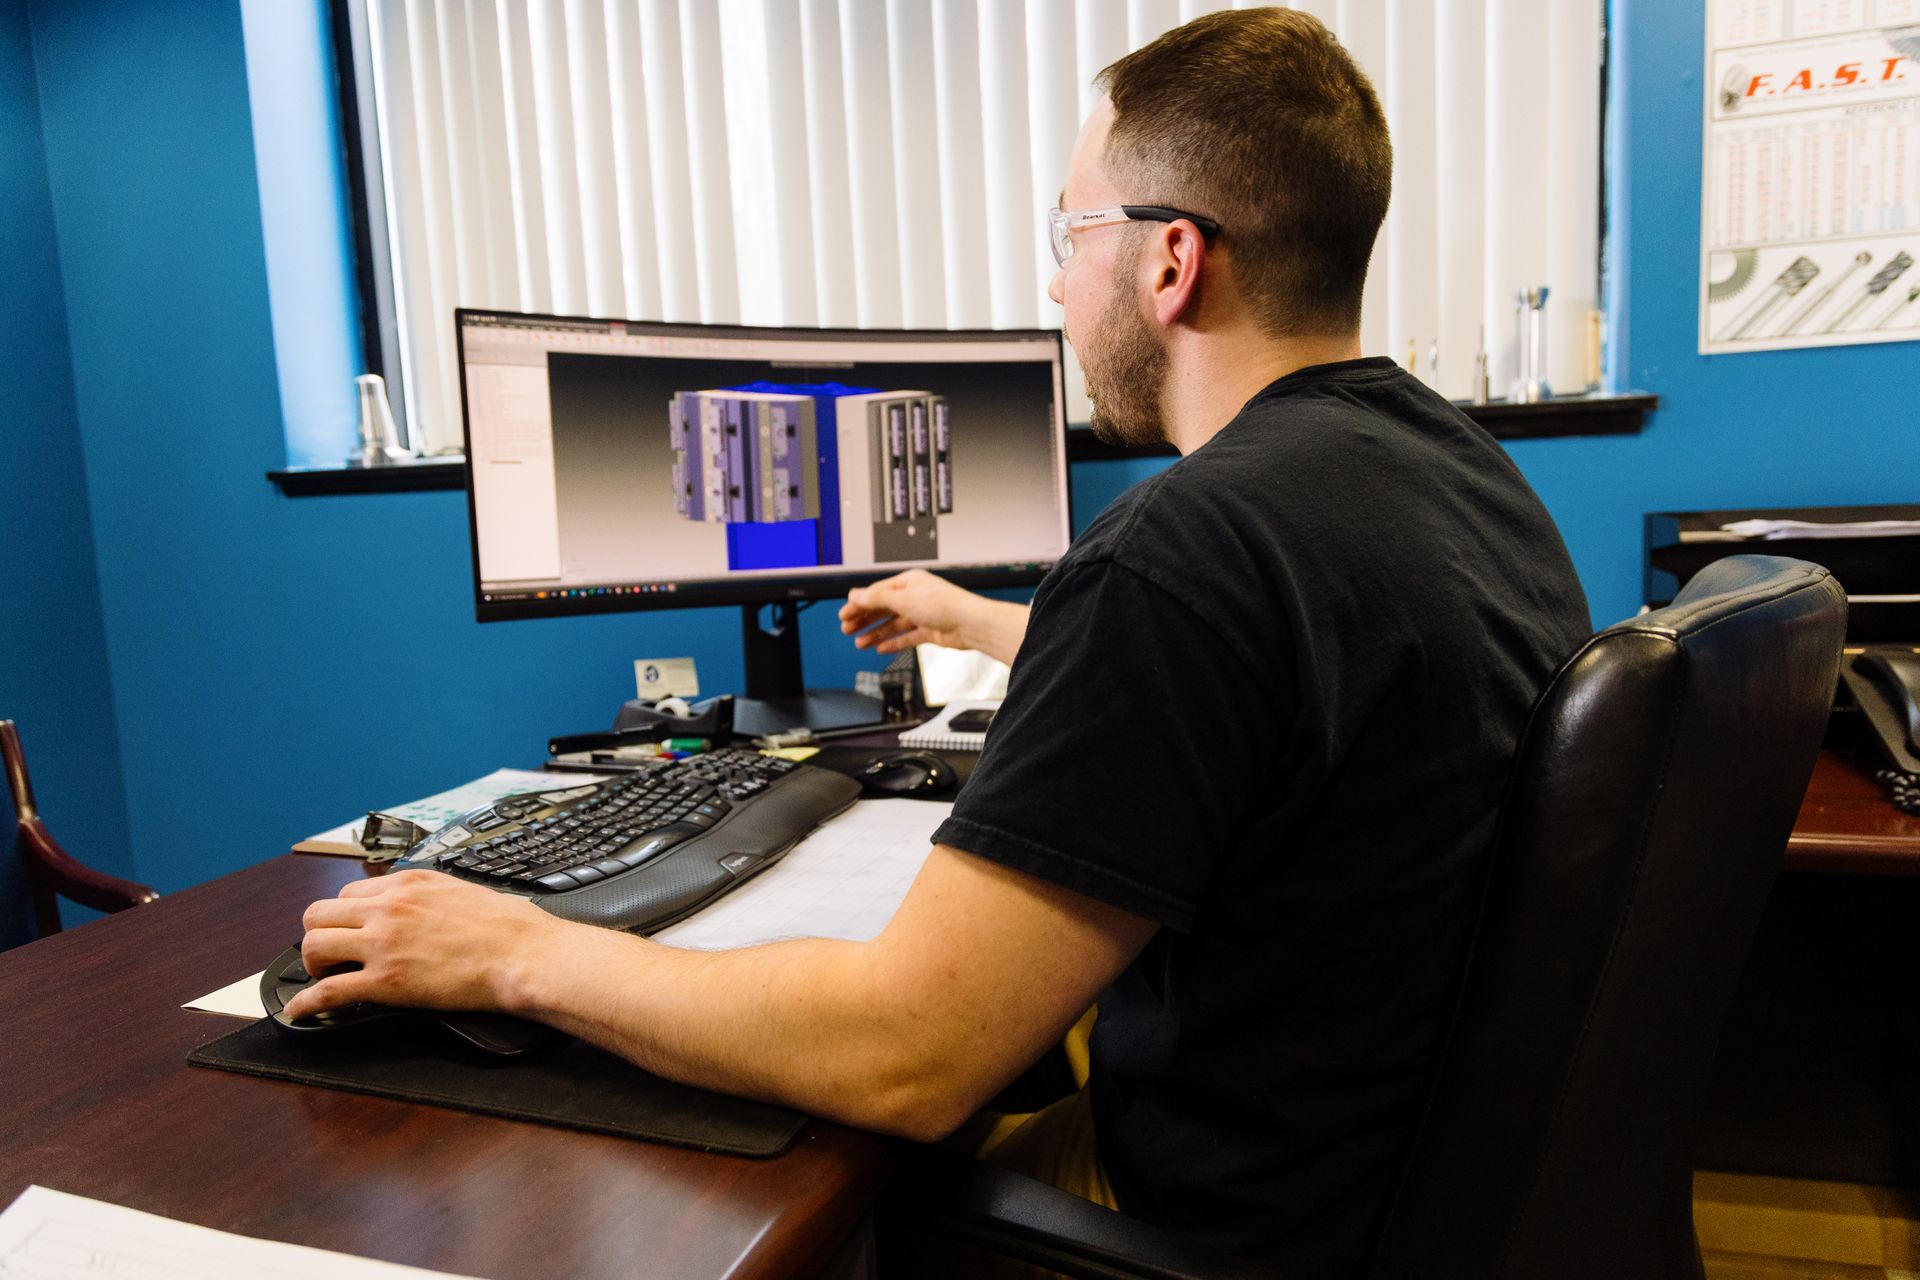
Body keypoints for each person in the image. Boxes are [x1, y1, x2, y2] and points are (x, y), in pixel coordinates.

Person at [287, 9, 1590, 1274]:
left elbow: (907, 1053)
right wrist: (989, 622)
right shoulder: (1457, 477)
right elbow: (1272, 697)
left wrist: (520, 951)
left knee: (782, 1213)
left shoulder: (1187, 549)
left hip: (1217, 1235)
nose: (1053, 279)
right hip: (1404, 1188)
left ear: (1170, 260)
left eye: (1069, 231)